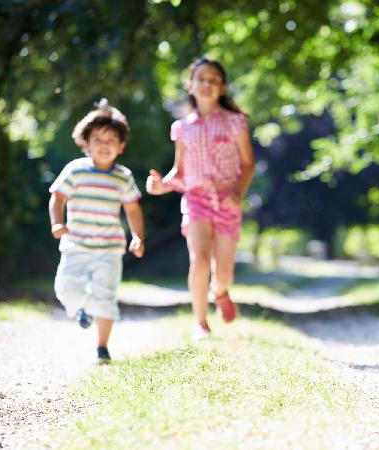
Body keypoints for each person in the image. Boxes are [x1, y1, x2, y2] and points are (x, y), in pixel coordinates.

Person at [146, 57, 255, 340]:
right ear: (190, 85)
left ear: (222, 87)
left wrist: (237, 194)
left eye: (213, 80)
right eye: (201, 79)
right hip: (196, 200)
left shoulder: (235, 122)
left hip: (227, 200)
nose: (207, 84)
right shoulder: (182, 128)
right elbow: (179, 171)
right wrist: (162, 186)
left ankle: (220, 292)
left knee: (223, 272)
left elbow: (248, 164)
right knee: (200, 260)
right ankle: (201, 323)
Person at [49, 99, 145, 363]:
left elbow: (133, 209)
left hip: (110, 249)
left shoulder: (122, 176)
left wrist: (137, 236)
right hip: (76, 244)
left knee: (106, 296)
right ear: (86, 143)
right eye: (98, 140)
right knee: (66, 290)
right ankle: (81, 308)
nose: (104, 145)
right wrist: (57, 223)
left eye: (111, 140)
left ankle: (102, 347)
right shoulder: (75, 170)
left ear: (121, 146)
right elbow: (57, 198)